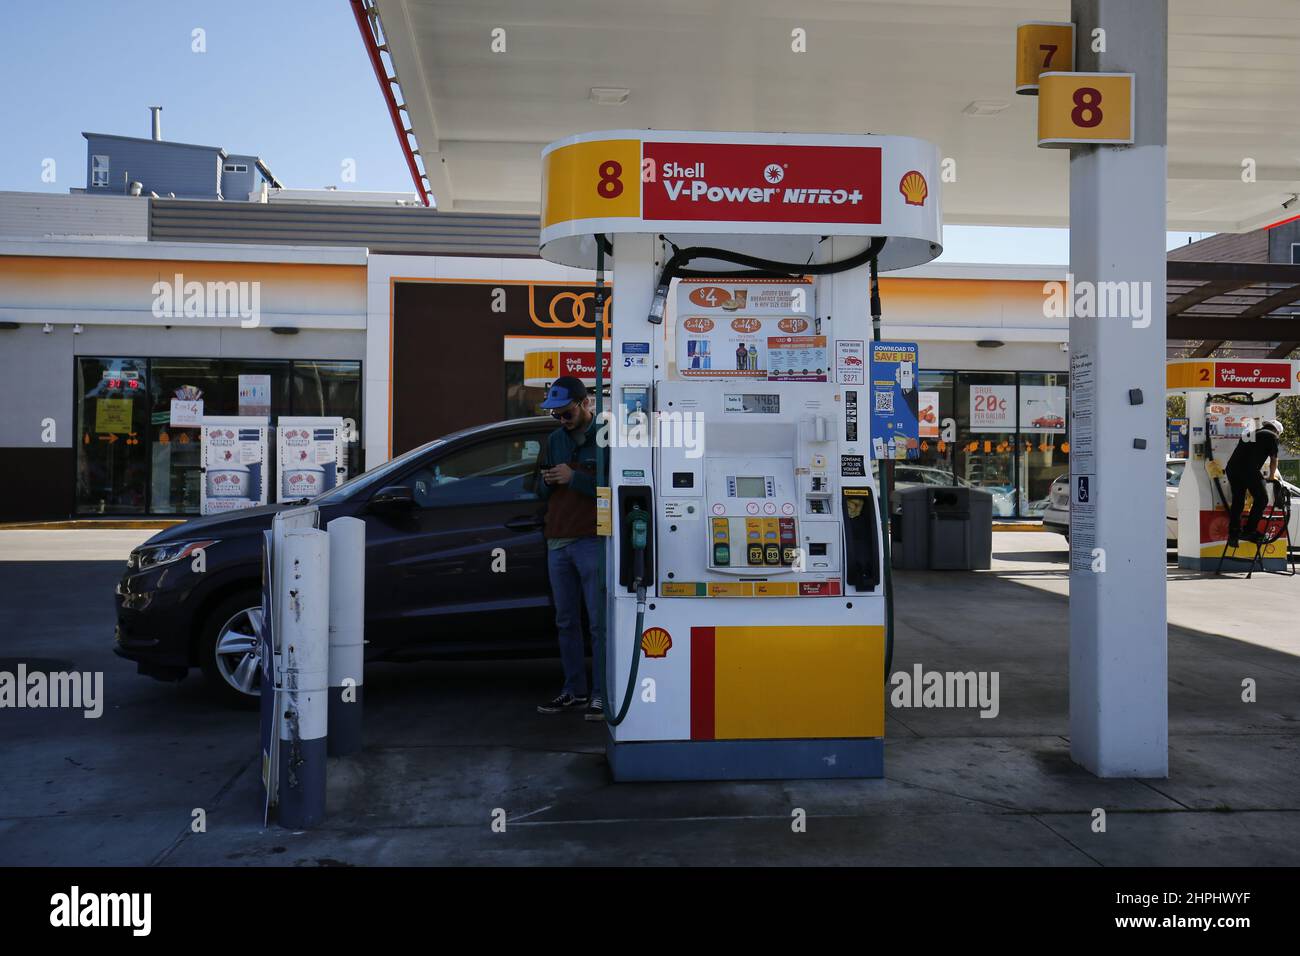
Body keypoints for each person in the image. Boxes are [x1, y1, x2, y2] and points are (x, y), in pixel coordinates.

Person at [535, 376, 606, 720]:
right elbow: (539, 489)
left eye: (565, 413)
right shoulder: (553, 440)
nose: (560, 420)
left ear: (585, 403)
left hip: (592, 539)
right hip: (558, 540)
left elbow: (616, 489)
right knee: (566, 621)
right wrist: (548, 481)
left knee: (597, 623)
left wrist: (573, 478)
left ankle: (601, 694)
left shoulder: (605, 438)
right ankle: (573, 690)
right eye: (556, 415)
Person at [1224, 418, 1283, 547]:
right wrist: (1272, 477)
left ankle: (1234, 533)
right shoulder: (1272, 436)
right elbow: (1274, 460)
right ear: (1276, 431)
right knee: (1262, 499)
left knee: (1238, 499)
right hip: (1248, 470)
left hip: (1232, 469)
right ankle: (1249, 530)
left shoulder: (1250, 433)